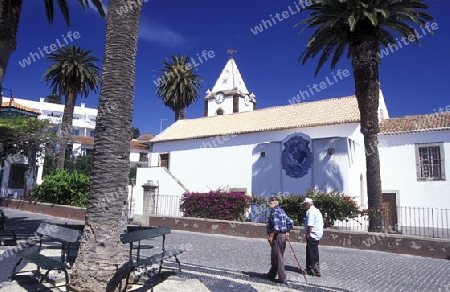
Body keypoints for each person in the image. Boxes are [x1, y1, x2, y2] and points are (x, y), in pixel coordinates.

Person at [264, 196, 294, 284]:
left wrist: (271, 235)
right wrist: (287, 231)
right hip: (282, 236)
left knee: (278, 256)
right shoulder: (282, 211)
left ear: (274, 203)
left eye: (269, 203)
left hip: (277, 236)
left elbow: (276, 227)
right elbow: (291, 222)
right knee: (275, 254)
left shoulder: (274, 211)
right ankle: (271, 274)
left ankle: (282, 278)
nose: (268, 204)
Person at [303, 197, 323, 277]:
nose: (304, 206)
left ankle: (315, 270)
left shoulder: (310, 212)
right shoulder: (316, 210)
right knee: (310, 251)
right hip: (317, 234)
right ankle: (309, 268)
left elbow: (310, 225)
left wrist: (308, 234)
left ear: (308, 204)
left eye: (304, 204)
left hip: (312, 235)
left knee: (312, 252)